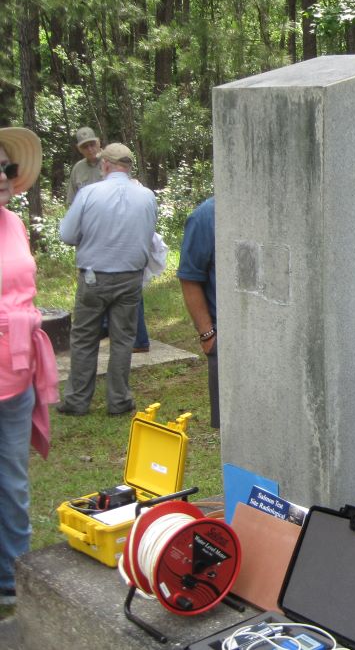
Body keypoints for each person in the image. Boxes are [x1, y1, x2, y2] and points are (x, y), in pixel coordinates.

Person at [0, 126, 59, 607]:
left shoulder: (13, 224)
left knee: (14, 482)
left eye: (7, 167)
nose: (2, 176)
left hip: (16, 376)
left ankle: (13, 580)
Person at [57, 143, 157, 417]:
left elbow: (66, 234)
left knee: (84, 338)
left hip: (93, 277)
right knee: (123, 339)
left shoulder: (90, 193)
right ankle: (119, 400)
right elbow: (149, 236)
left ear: (105, 165)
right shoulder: (147, 196)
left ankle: (77, 401)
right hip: (130, 277)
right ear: (128, 166)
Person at [177, 196, 219, 429]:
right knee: (234, 436)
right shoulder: (205, 217)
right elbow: (190, 278)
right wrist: (208, 336)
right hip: (225, 341)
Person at [66, 126, 103, 206]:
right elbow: (72, 201)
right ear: (79, 149)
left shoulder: (111, 161)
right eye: (85, 146)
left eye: (92, 144)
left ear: (98, 143)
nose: (89, 149)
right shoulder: (78, 168)